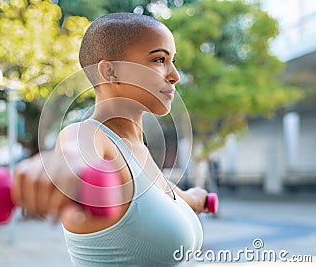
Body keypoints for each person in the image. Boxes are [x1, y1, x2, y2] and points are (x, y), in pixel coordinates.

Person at [12, 13, 208, 266]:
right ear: (110, 71)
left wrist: (198, 199)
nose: (175, 75)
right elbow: (73, 152)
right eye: (159, 59)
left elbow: (172, 195)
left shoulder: (138, 149)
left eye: (172, 60)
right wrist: (54, 168)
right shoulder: (87, 136)